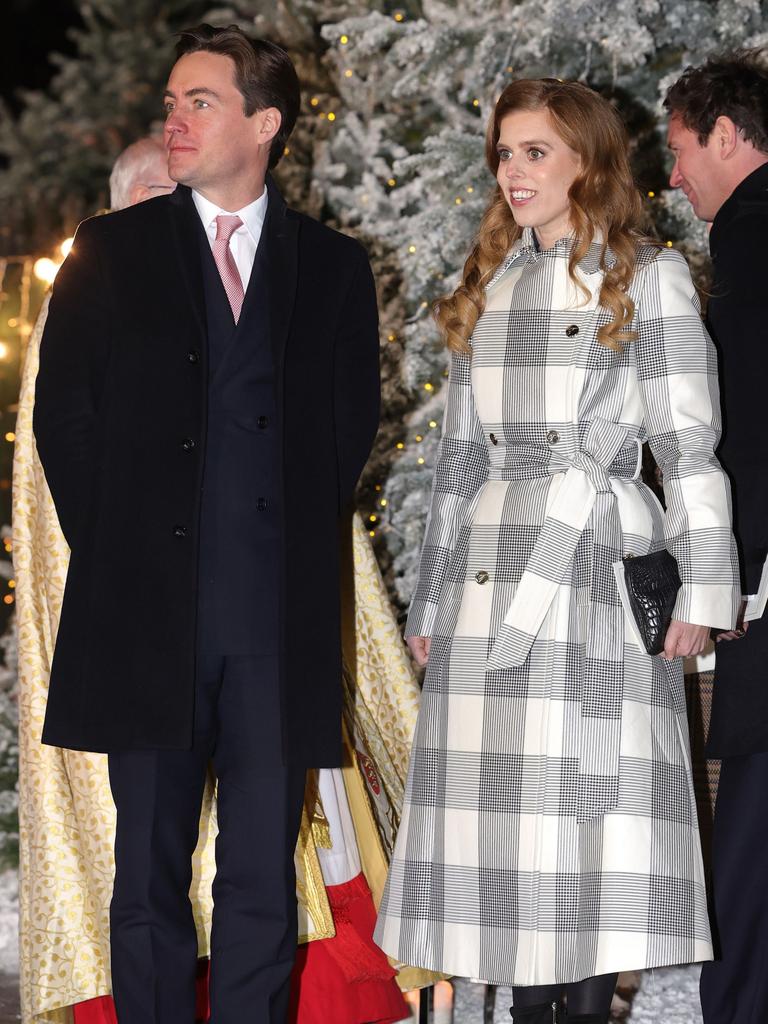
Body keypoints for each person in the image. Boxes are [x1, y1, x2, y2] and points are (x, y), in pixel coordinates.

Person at [32, 23, 380, 1024]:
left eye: (201, 103)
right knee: (147, 877)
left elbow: (342, 429)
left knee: (264, 880)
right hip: (147, 619)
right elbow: (68, 419)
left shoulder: (332, 267)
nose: (174, 121)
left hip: (277, 625)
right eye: (172, 103)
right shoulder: (110, 250)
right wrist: (126, 550)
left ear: (263, 123)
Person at [374, 77, 739, 1024]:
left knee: (582, 838)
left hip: (594, 577)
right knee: (502, 847)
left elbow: (688, 447)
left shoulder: (645, 274)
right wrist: (433, 607)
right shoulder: (487, 287)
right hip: (491, 586)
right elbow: (457, 462)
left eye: (536, 151)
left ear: (587, 160)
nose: (513, 170)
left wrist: (703, 589)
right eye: (504, 152)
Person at [664, 50, 768, 1024]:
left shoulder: (750, 233)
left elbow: (748, 423)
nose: (672, 174)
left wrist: (726, 576)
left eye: (682, 147)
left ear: (730, 137)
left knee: (752, 834)